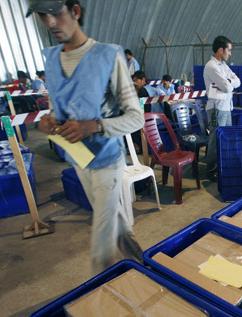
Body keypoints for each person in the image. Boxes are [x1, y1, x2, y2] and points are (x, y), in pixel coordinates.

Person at [27, 0, 145, 273]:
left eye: (55, 13)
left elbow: (136, 117)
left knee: (100, 242)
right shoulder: (52, 61)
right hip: (79, 159)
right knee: (113, 221)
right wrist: (49, 121)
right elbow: (57, 109)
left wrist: (95, 126)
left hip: (106, 159)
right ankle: (142, 262)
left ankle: (102, 293)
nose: (50, 23)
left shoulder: (109, 56)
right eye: (43, 16)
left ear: (75, 11)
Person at [203, 35, 240, 179]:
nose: (230, 54)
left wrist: (229, 81)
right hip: (217, 109)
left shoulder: (223, 66)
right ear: (220, 50)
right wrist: (229, 82)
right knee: (215, 140)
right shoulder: (211, 67)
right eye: (228, 50)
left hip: (226, 108)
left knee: (225, 139)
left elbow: (238, 81)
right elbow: (226, 87)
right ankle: (211, 170)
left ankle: (221, 167)